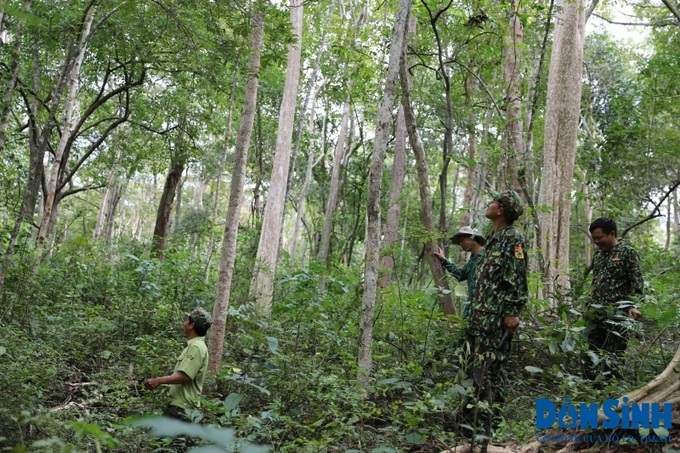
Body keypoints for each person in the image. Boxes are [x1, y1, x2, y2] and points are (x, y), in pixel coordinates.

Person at [461, 190, 528, 437]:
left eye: (493, 202)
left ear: (500, 210)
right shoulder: (492, 239)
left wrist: (512, 312)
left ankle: (489, 425)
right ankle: (471, 421)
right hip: (480, 317)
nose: (488, 205)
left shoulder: (513, 238)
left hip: (497, 319)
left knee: (492, 370)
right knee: (475, 368)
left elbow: (517, 278)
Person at [586, 217, 643, 377]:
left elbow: (636, 284)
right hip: (595, 314)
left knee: (613, 357)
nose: (596, 241)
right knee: (590, 355)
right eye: (594, 238)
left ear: (612, 234)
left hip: (617, 315)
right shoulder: (598, 256)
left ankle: (610, 395)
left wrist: (634, 306)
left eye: (599, 237)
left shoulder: (627, 253)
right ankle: (589, 389)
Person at [145, 307, 212, 421]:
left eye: (187, 320)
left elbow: (185, 376)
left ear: (191, 325)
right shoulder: (195, 346)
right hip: (181, 408)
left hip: (181, 409)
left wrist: (159, 381)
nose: (184, 323)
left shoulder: (196, 347)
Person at [433, 226, 486, 318]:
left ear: (472, 238)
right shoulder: (472, 260)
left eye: (462, 240)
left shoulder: (487, 257)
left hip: (485, 309)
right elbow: (460, 274)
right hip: (472, 307)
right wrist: (444, 260)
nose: (460, 244)